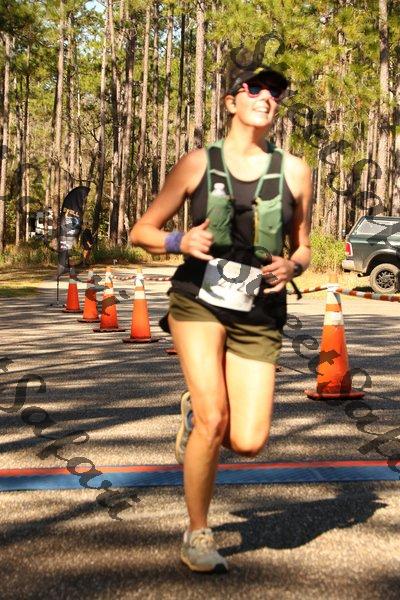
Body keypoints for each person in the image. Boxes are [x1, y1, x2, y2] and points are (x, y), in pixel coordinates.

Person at [130, 63, 312, 573]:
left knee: (248, 440)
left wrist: (293, 265)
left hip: (259, 306)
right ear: (231, 101)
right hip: (199, 298)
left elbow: (303, 245)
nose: (266, 97)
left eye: (275, 92)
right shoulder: (198, 163)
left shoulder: (295, 171)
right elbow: (142, 230)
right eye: (254, 88)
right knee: (215, 418)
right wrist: (178, 240)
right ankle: (197, 533)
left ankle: (196, 417)